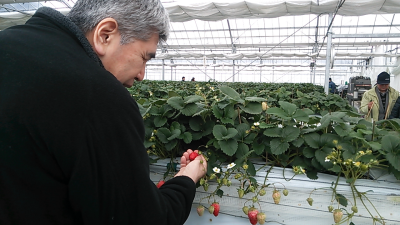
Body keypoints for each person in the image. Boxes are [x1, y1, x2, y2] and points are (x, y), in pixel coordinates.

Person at [0, 1, 207, 225]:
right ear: (105, 35)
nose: (141, 75)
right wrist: (187, 178)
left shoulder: (8, 43)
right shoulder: (97, 95)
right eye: (144, 57)